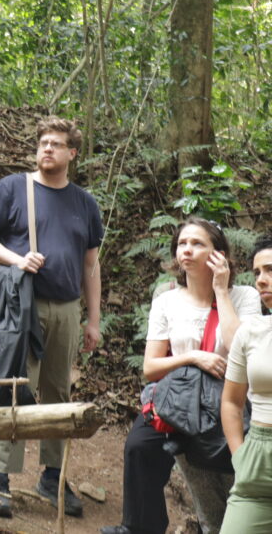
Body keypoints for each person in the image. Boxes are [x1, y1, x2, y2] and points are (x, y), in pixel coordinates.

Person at [0, 116, 103, 518]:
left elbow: (91, 264)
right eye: (43, 142)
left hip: (66, 308)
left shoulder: (85, 202)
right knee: (15, 386)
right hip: (20, 306)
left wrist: (93, 319)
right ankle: (1, 480)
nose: (47, 148)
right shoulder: (13, 187)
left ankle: (51, 475)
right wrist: (18, 259)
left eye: (56, 143)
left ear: (72, 153)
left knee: (58, 391)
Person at [100, 218, 260, 534]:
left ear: (220, 255)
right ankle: (140, 527)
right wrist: (193, 356)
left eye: (198, 243)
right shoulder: (167, 301)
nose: (186, 249)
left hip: (227, 399)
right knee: (139, 446)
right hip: (179, 395)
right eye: (182, 243)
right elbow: (151, 368)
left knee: (227, 463)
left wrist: (221, 291)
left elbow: (241, 349)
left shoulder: (245, 297)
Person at [219, 235, 272, 531]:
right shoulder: (250, 332)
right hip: (257, 462)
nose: (261, 281)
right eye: (257, 273)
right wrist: (240, 455)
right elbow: (231, 401)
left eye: (270, 270)